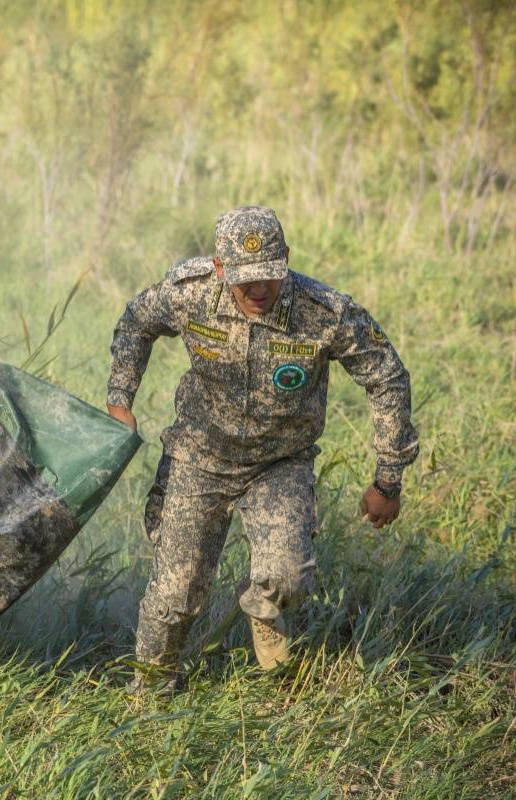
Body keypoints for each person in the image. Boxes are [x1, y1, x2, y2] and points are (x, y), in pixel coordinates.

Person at [107, 206, 418, 690]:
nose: (258, 291)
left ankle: (262, 608)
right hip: (200, 456)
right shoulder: (190, 294)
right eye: (244, 279)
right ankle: (151, 692)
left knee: (287, 577)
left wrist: (388, 479)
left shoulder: (324, 313)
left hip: (280, 462)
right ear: (219, 268)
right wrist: (119, 399)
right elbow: (135, 323)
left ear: (287, 260)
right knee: (176, 595)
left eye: (269, 276)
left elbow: (387, 375)